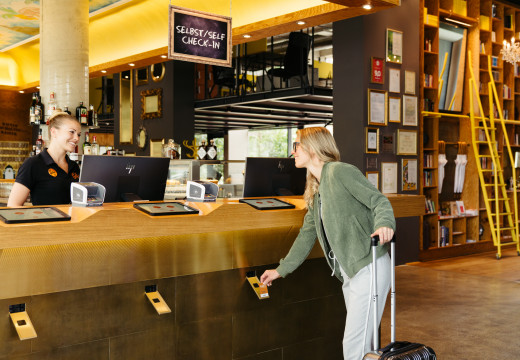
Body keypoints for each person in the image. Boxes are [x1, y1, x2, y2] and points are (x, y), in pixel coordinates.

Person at [260, 127, 395, 360]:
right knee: (363, 345)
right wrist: (280, 270)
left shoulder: (340, 172)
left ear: (313, 147)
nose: (293, 152)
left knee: (354, 346)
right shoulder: (315, 188)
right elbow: (307, 234)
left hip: (368, 266)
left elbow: (378, 201)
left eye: (297, 146)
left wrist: (385, 224)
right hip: (350, 273)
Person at [8, 112, 81, 207]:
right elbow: (13, 205)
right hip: (45, 221)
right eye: (72, 132)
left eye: (79, 134)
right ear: (54, 132)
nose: (76, 138)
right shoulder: (33, 164)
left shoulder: (74, 167)